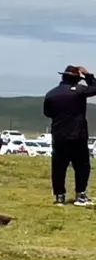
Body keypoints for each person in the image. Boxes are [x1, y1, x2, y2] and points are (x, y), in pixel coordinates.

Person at [43, 64, 96, 206]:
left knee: (59, 167)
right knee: (82, 166)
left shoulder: (51, 94)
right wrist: (89, 76)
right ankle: (80, 195)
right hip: (78, 135)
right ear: (77, 79)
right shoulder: (79, 91)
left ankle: (60, 196)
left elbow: (47, 113)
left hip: (59, 135)